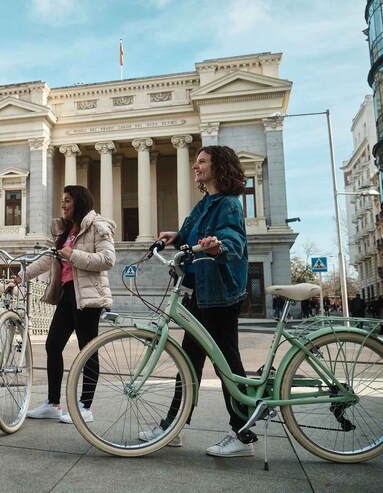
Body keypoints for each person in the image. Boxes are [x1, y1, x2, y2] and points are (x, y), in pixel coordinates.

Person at [140, 145, 255, 458]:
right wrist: (176, 237)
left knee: (227, 366)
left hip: (219, 294)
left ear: (218, 166)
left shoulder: (229, 204)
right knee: (188, 364)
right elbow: (192, 233)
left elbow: (232, 240)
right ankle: (173, 426)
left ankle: (242, 435)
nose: (195, 165)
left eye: (202, 161)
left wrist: (218, 247)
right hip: (200, 293)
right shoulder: (206, 203)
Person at [21, 185, 116, 424]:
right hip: (67, 294)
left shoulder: (97, 227)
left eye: (67, 201)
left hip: (88, 297)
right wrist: (20, 276)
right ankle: (53, 404)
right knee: (53, 345)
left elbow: (107, 260)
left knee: (87, 350)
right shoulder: (65, 231)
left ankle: (85, 407)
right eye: (62, 201)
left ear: (79, 202)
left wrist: (72, 255)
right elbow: (48, 259)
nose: (62, 205)